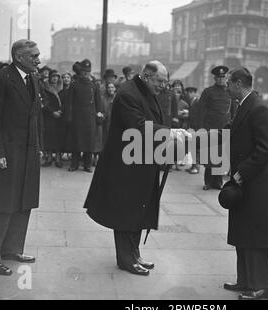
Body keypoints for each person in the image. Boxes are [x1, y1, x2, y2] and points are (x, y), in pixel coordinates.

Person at [84, 61, 190, 276]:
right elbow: (138, 127)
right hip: (126, 166)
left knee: (138, 210)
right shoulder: (128, 94)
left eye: (165, 82)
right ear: (146, 75)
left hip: (141, 162)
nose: (163, 86)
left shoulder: (145, 91)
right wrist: (169, 132)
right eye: (160, 81)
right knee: (126, 213)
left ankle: (133, 254)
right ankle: (126, 259)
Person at [223, 67, 268, 300]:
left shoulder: (258, 108)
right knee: (244, 232)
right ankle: (246, 280)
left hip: (258, 183)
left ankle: (261, 286)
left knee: (257, 236)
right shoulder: (245, 105)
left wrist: (242, 173)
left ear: (239, 83)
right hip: (246, 181)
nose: (227, 87)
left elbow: (266, 148)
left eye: (229, 83)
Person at [0, 39, 42, 276]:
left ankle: (12, 249)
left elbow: (35, 116)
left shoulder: (33, 78)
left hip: (28, 152)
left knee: (23, 202)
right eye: (34, 56)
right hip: (6, 154)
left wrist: (39, 146)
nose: (38, 59)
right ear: (18, 57)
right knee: (1, 204)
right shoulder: (0, 78)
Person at [196, 65, 232, 190]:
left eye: (223, 77)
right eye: (219, 77)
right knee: (209, 157)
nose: (221, 79)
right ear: (215, 78)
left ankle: (218, 182)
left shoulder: (230, 91)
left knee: (221, 156)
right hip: (210, 128)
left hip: (225, 129)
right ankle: (208, 182)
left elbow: (233, 111)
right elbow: (201, 111)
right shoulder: (208, 92)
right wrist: (201, 129)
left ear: (226, 77)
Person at [67, 59, 103, 173]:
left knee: (89, 142)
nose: (86, 73)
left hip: (90, 118)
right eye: (84, 71)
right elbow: (69, 103)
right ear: (80, 72)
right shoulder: (74, 85)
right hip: (77, 118)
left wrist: (99, 115)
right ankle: (74, 164)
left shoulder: (94, 86)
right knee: (76, 142)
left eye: (88, 71)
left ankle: (87, 165)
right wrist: (69, 117)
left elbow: (99, 103)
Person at [41, 69, 66, 168]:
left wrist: (60, 111)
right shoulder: (45, 88)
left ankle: (58, 158)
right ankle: (49, 157)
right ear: (50, 78)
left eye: (57, 76)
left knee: (59, 137)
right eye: (53, 77)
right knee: (49, 137)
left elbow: (66, 102)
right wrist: (52, 112)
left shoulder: (63, 88)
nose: (55, 78)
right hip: (49, 115)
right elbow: (44, 102)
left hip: (61, 116)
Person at [185, 87, 200, 175]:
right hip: (192, 126)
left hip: (196, 127)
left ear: (194, 93)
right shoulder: (192, 102)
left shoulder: (197, 102)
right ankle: (193, 165)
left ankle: (196, 166)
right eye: (188, 92)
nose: (189, 94)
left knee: (196, 147)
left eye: (191, 92)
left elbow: (199, 115)